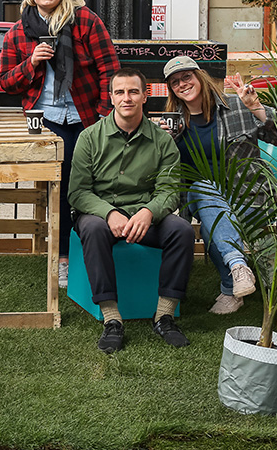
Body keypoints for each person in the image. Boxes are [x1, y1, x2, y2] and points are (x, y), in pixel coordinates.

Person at [0, 0, 120, 288]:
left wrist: (105, 114)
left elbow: (110, 68)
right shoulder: (19, 31)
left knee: (87, 189)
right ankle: (65, 259)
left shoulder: (84, 22)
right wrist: (31, 62)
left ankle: (97, 254)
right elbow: (7, 83)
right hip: (46, 120)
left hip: (85, 118)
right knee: (61, 191)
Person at [69, 68, 192, 354]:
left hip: (144, 218)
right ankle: (112, 319)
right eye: (121, 92)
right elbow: (78, 193)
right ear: (111, 97)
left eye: (134, 91)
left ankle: (164, 315)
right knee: (91, 228)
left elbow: (170, 191)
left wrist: (149, 212)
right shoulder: (89, 138)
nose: (127, 98)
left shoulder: (163, 142)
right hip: (101, 216)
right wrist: (109, 212)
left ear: (145, 96)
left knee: (182, 230)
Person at [162, 55, 275, 314]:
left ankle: (232, 285)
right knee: (204, 189)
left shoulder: (236, 105)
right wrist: (163, 142)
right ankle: (237, 269)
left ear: (199, 76)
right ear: (171, 89)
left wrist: (255, 107)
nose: (182, 84)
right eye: (175, 82)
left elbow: (275, 133)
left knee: (216, 222)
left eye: (186, 76)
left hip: (250, 194)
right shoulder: (173, 123)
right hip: (204, 198)